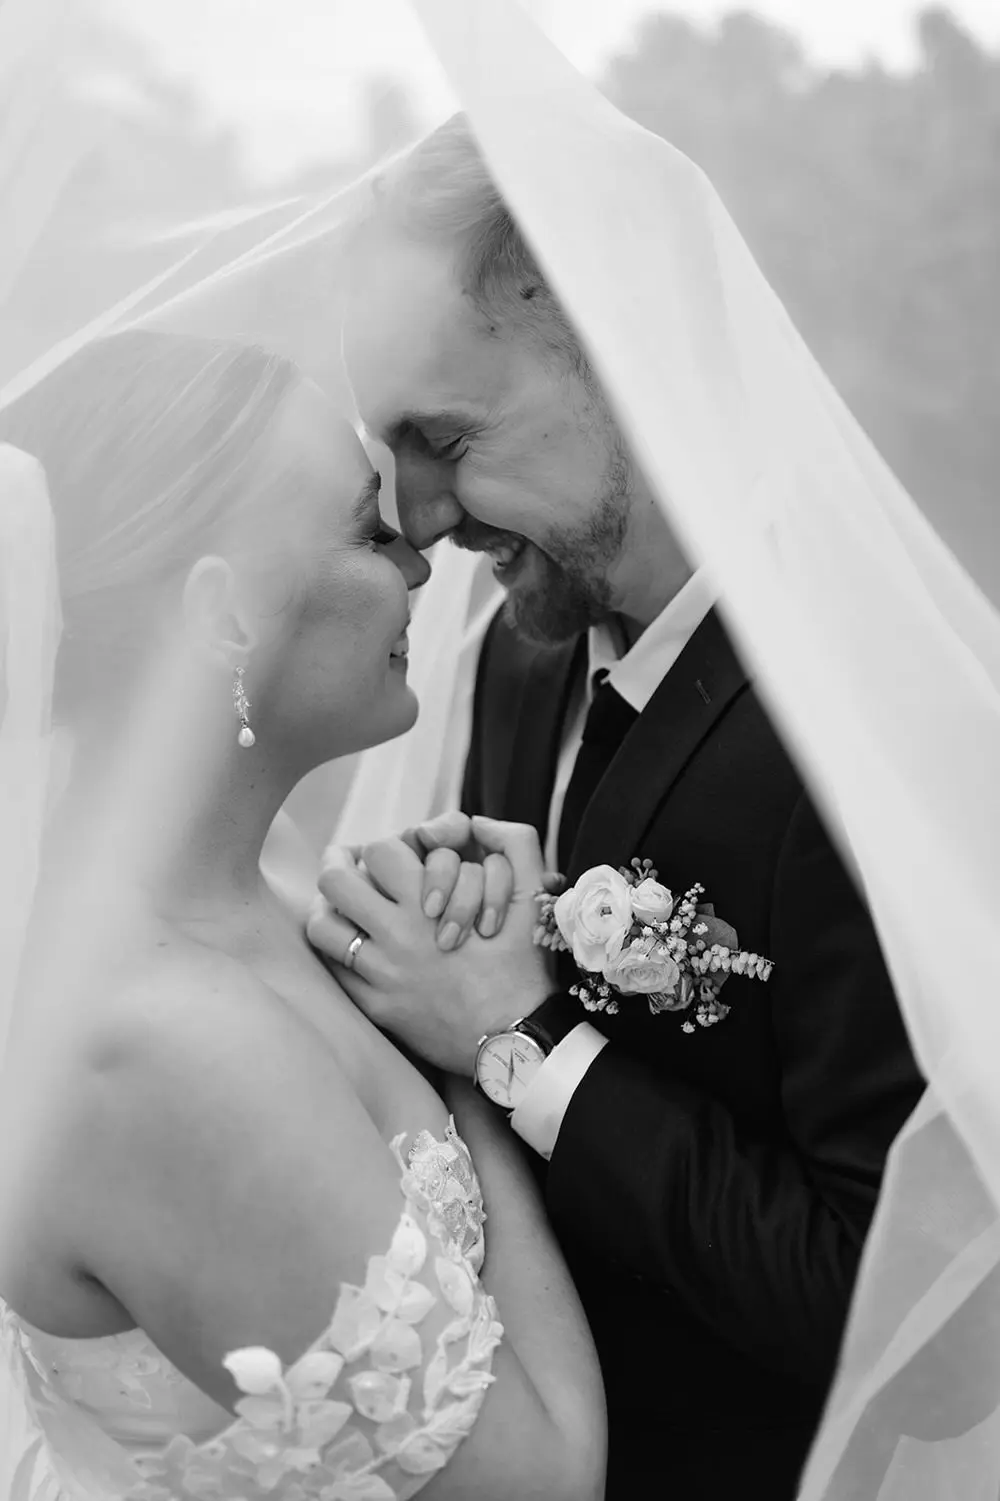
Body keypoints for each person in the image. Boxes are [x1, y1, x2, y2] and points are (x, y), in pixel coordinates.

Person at [312, 113, 928, 1501]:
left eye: (443, 435)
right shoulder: (510, 653)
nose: (409, 519)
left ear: (631, 353)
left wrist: (526, 1037)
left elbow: (896, 1316)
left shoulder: (861, 726)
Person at [0, 329, 606, 1501]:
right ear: (225, 617)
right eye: (364, 532)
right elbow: (543, 1481)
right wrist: (478, 1043)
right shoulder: (162, 1045)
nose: (424, 564)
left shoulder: (269, 878)